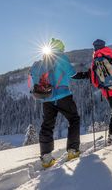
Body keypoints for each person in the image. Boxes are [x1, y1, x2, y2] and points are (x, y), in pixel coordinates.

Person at [29, 38, 80, 168]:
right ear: (60, 49)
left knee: (47, 125)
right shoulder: (61, 58)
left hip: (46, 98)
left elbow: (32, 81)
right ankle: (73, 151)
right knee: (74, 119)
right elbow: (72, 73)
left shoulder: (39, 64)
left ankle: (46, 158)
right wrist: (84, 75)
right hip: (63, 96)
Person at [73, 39, 112, 145]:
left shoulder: (94, 62)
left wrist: (104, 88)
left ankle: (111, 138)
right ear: (103, 45)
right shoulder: (111, 54)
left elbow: (94, 81)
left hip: (108, 93)